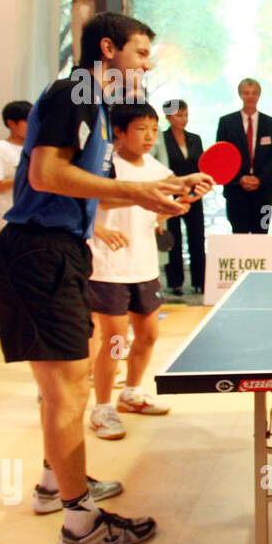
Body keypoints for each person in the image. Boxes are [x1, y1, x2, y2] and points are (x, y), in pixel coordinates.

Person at [0, 12, 212, 544]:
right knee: (68, 390)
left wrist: (165, 184)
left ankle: (54, 485)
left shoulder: (97, 107)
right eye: (139, 54)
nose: (147, 64)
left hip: (52, 250)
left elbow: (82, 190)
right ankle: (80, 525)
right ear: (106, 49)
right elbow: (45, 175)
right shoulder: (76, 91)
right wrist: (139, 194)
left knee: (68, 385)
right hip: (39, 253)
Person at [87, 102, 179, 440]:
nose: (149, 136)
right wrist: (99, 229)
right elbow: (93, 201)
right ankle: (102, 408)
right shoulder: (105, 165)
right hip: (108, 266)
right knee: (113, 341)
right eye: (141, 129)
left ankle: (131, 394)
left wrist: (173, 207)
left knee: (149, 335)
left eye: (154, 130)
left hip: (144, 264)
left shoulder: (155, 166)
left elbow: (164, 206)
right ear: (120, 132)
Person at [216, 78, 272, 235]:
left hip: (264, 191)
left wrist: (259, 179)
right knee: (239, 234)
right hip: (236, 191)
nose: (250, 97)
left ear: (259, 95)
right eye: (246, 93)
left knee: (262, 233)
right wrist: (239, 179)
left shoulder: (271, 123)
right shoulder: (226, 122)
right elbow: (222, 156)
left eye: (254, 93)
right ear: (240, 95)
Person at [153, 100, 204, 296]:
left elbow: (201, 167)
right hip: (170, 196)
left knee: (197, 238)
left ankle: (200, 280)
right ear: (168, 117)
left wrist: (194, 191)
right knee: (173, 237)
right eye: (179, 115)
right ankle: (176, 283)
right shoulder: (160, 139)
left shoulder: (195, 139)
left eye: (186, 115)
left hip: (194, 195)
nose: (184, 119)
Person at [0, 100, 31, 231]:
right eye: (28, 121)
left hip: (36, 215)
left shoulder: (36, 148)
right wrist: (24, 178)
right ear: (11, 123)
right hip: (12, 216)